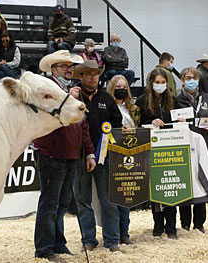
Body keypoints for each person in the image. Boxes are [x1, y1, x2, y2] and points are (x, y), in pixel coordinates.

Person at [33, 50, 96, 261]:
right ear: (53, 70)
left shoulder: (69, 91)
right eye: (63, 66)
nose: (69, 70)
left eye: (70, 67)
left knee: (62, 203)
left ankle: (58, 244)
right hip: (51, 153)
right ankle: (44, 249)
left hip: (71, 154)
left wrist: (88, 152)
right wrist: (69, 99)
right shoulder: (48, 91)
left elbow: (82, 124)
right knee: (50, 203)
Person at [72, 60, 123, 252]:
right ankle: (89, 239)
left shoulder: (106, 98)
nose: (93, 77)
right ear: (81, 77)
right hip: (80, 156)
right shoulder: (74, 98)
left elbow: (116, 123)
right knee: (83, 200)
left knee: (108, 200)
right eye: (89, 74)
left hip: (104, 156)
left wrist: (120, 131)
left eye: (96, 74)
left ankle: (112, 240)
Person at [175, 67, 208, 234]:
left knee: (202, 182)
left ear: (199, 80)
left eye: (194, 78)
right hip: (185, 148)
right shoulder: (177, 98)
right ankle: (185, 223)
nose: (191, 80)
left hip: (205, 146)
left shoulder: (206, 98)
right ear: (182, 80)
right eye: (188, 77)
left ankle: (199, 224)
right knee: (186, 183)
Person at [135, 68, 177, 239]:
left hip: (171, 149)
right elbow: (137, 124)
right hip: (152, 149)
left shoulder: (173, 100)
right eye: (157, 82)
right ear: (151, 83)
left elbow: (182, 119)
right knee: (156, 187)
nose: (160, 85)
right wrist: (150, 122)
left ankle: (172, 227)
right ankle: (158, 226)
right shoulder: (142, 100)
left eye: (162, 82)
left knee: (170, 186)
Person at [106, 74, 140, 245]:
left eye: (124, 86)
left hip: (130, 152)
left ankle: (125, 233)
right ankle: (113, 234)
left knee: (127, 195)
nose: (122, 89)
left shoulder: (133, 108)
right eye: (118, 87)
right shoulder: (107, 107)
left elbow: (139, 128)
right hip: (112, 152)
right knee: (113, 196)